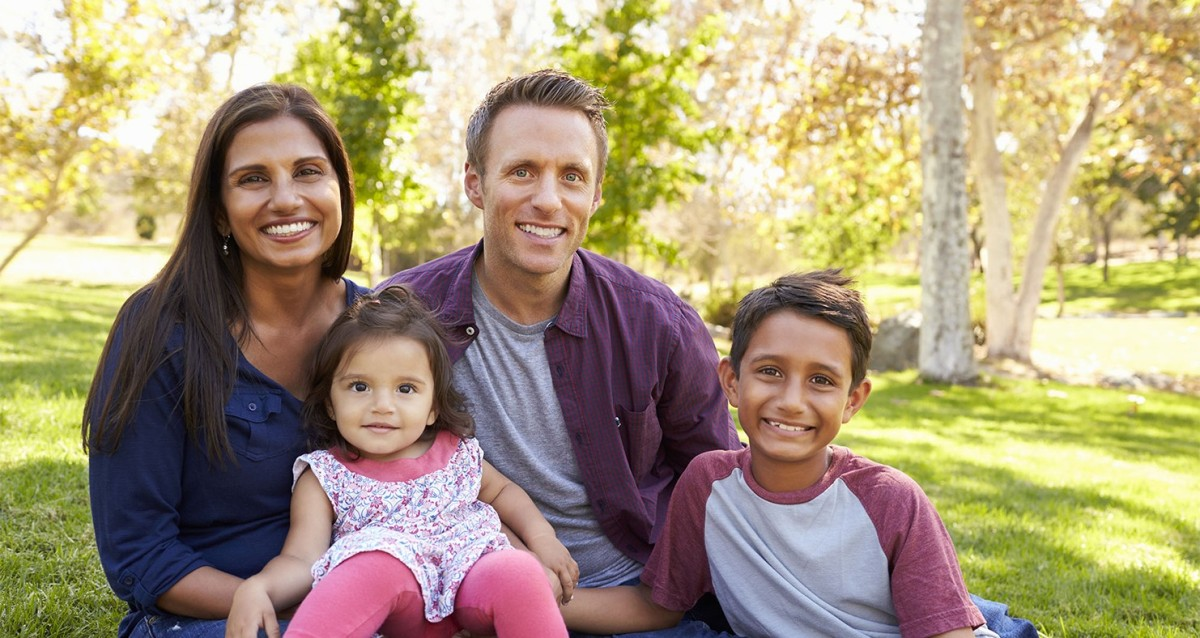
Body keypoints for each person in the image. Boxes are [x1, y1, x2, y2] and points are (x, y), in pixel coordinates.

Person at [379, 68, 743, 636]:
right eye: (522, 171)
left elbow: (721, 482)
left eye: (571, 176)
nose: (547, 200)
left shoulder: (657, 323)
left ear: (595, 194)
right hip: (458, 600)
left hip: (633, 605)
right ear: (475, 183)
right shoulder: (401, 315)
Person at [561, 270, 995, 638]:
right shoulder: (707, 485)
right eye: (770, 371)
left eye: (821, 380)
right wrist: (527, 601)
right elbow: (660, 606)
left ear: (853, 400)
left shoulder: (891, 499)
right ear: (731, 382)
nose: (791, 400)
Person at [83, 83, 369, 638]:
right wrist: (287, 611)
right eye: (253, 179)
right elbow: (139, 554)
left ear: (339, 189)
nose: (285, 198)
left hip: (371, 606)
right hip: (212, 620)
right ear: (218, 212)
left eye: (309, 171)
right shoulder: (160, 328)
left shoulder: (381, 328)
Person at [226, 285, 575, 638]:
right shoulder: (325, 475)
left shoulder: (455, 452)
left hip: (472, 579)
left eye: (405, 389)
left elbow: (502, 493)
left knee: (518, 571)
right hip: (399, 601)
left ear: (433, 408)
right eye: (359, 386)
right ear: (330, 402)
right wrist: (260, 587)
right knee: (372, 566)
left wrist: (542, 539)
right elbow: (302, 559)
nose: (382, 405)